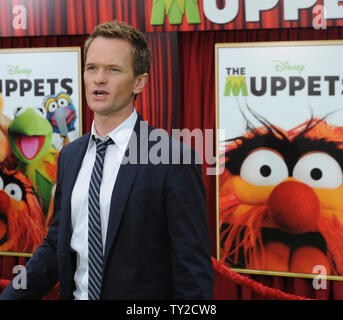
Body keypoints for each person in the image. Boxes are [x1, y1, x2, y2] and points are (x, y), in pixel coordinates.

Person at [0, 20, 213, 300]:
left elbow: (193, 274)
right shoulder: (70, 156)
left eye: (113, 69)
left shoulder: (173, 159)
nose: (99, 78)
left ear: (140, 81)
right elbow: (55, 247)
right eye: (92, 68)